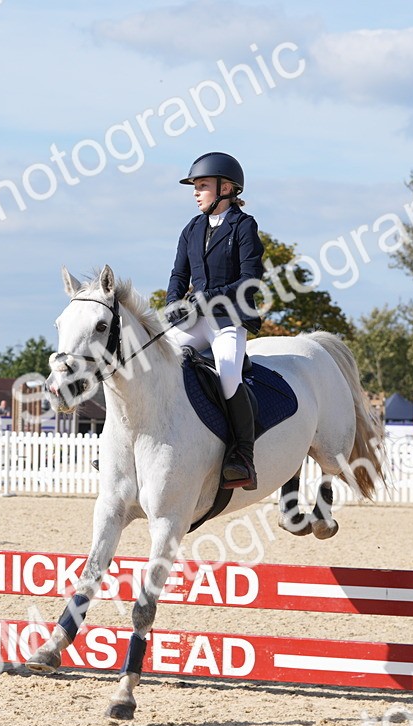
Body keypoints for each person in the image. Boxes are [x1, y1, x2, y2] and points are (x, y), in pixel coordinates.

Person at [163, 152, 266, 490]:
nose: (196, 192)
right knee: (158, 362)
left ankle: (243, 455)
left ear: (226, 188)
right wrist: (171, 305)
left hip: (227, 319)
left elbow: (250, 280)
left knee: (228, 374)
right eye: (195, 186)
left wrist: (209, 297)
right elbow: (179, 274)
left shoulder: (244, 226)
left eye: (202, 185)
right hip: (194, 320)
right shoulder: (191, 228)